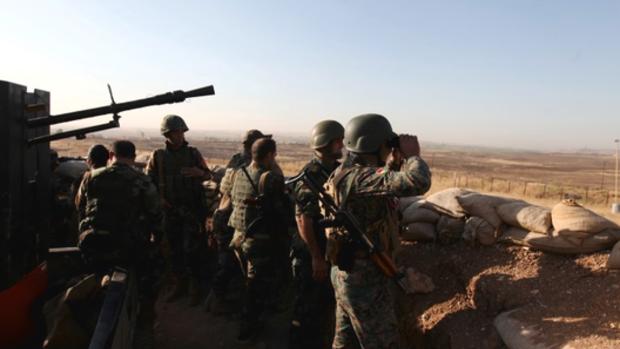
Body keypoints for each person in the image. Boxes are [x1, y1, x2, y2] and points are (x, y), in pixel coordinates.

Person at [325, 114, 432, 349]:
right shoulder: (360, 177)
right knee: (382, 342)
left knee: (346, 341)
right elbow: (418, 182)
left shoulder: (348, 172)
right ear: (375, 145)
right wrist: (413, 155)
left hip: (348, 271)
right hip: (364, 279)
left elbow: (381, 187)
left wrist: (392, 162)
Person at [77, 140, 162, 347]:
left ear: (110, 155)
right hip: (128, 248)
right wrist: (156, 241)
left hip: (93, 245)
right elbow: (155, 216)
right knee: (153, 277)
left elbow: (79, 207)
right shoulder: (142, 181)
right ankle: (145, 323)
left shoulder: (90, 177)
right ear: (133, 158)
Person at [228, 137, 290, 342]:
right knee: (255, 288)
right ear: (270, 155)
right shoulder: (271, 177)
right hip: (259, 242)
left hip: (238, 237)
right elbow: (283, 210)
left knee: (249, 282)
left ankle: (249, 320)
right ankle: (248, 330)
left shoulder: (239, 172)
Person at [289, 120, 344, 348]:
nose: (342, 144)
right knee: (306, 308)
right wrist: (316, 257)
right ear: (328, 143)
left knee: (322, 306)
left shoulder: (334, 170)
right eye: (338, 140)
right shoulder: (310, 175)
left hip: (326, 250)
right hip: (311, 253)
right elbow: (303, 219)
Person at [145, 114, 211, 305]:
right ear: (166, 134)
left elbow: (208, 175)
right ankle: (179, 285)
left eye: (181, 132)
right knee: (173, 250)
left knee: (192, 251)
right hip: (169, 211)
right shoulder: (157, 156)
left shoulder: (193, 153)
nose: (178, 136)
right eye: (174, 132)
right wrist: (159, 199)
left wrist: (200, 173)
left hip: (191, 211)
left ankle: (194, 288)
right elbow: (149, 182)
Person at [206, 129, 270, 311]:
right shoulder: (254, 165)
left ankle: (216, 299)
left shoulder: (234, 161)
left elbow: (223, 189)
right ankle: (218, 301)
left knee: (226, 261)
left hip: (222, 215)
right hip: (234, 220)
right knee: (230, 263)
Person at [75, 144, 109, 220]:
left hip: (91, 224)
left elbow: (78, 203)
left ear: (89, 160)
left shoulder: (87, 177)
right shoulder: (114, 175)